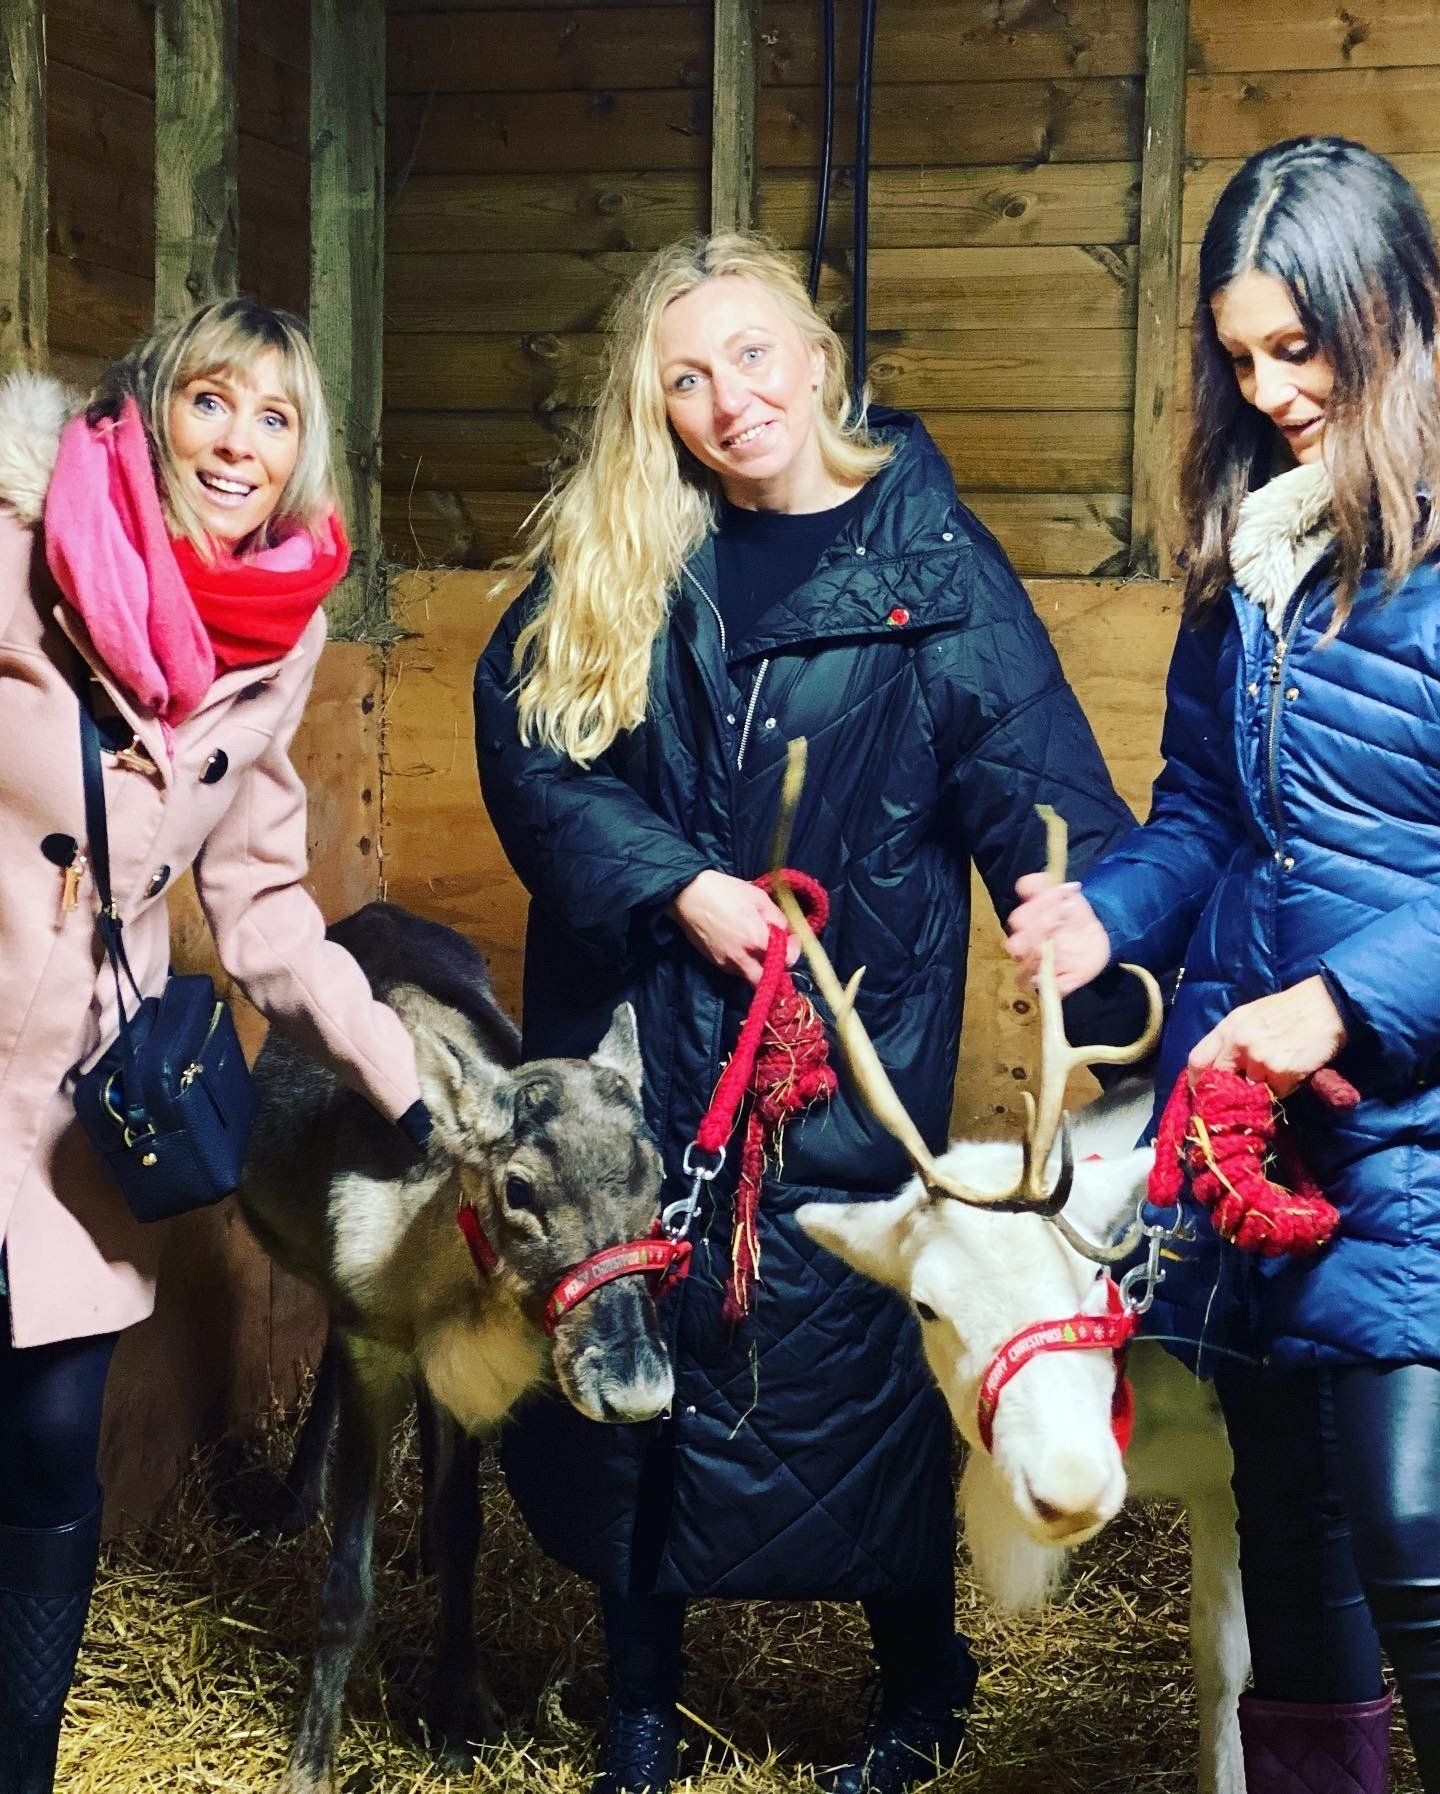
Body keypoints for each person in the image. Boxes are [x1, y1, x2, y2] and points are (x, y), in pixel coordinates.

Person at [474, 231, 1146, 1794]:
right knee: (653, 1357)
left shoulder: (935, 566)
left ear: (821, 359)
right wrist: (677, 884)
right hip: (655, 1043)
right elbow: (529, 750)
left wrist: (1091, 930)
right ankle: (642, 1690)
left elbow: (1043, 794)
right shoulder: (628, 551)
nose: (729, 400)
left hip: (846, 1055)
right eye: (687, 378)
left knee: (870, 1359)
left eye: (754, 356)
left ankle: (921, 1681)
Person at [1006, 136, 1440, 1794]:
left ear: (1386, 306)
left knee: (1410, 1519)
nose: (1268, 389)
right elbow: (1207, 810)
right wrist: (1110, 909)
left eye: (1299, 347)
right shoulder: (1251, 551)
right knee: (1299, 1539)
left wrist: (1337, 1002)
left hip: (1403, 1108)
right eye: (1241, 354)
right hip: (1247, 1126)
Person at [0, 298, 432, 1794]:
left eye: (277, 417)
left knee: (51, 1443)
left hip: (81, 1103)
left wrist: (404, 1076)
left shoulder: (280, 640)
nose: (239, 441)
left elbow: (258, 901)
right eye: (212, 401)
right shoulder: (23, 553)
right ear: (154, 406)